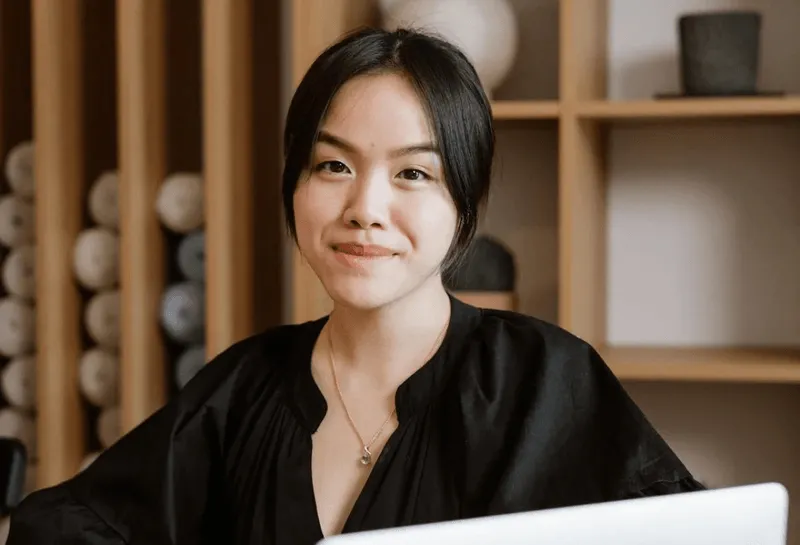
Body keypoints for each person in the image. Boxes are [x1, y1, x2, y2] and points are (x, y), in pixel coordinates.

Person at [7, 26, 703, 544]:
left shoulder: (544, 381)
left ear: (463, 206)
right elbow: (65, 527)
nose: (365, 207)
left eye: (413, 173)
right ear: (295, 185)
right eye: (333, 166)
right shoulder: (243, 389)